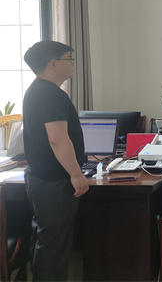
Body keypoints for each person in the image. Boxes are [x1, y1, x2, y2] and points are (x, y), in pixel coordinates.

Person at [22, 40, 89, 281]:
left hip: (40, 178)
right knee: (54, 245)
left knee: (45, 239)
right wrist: (76, 174)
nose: (72, 64)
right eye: (68, 59)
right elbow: (58, 139)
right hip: (55, 182)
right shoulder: (52, 95)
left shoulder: (35, 89)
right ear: (53, 64)